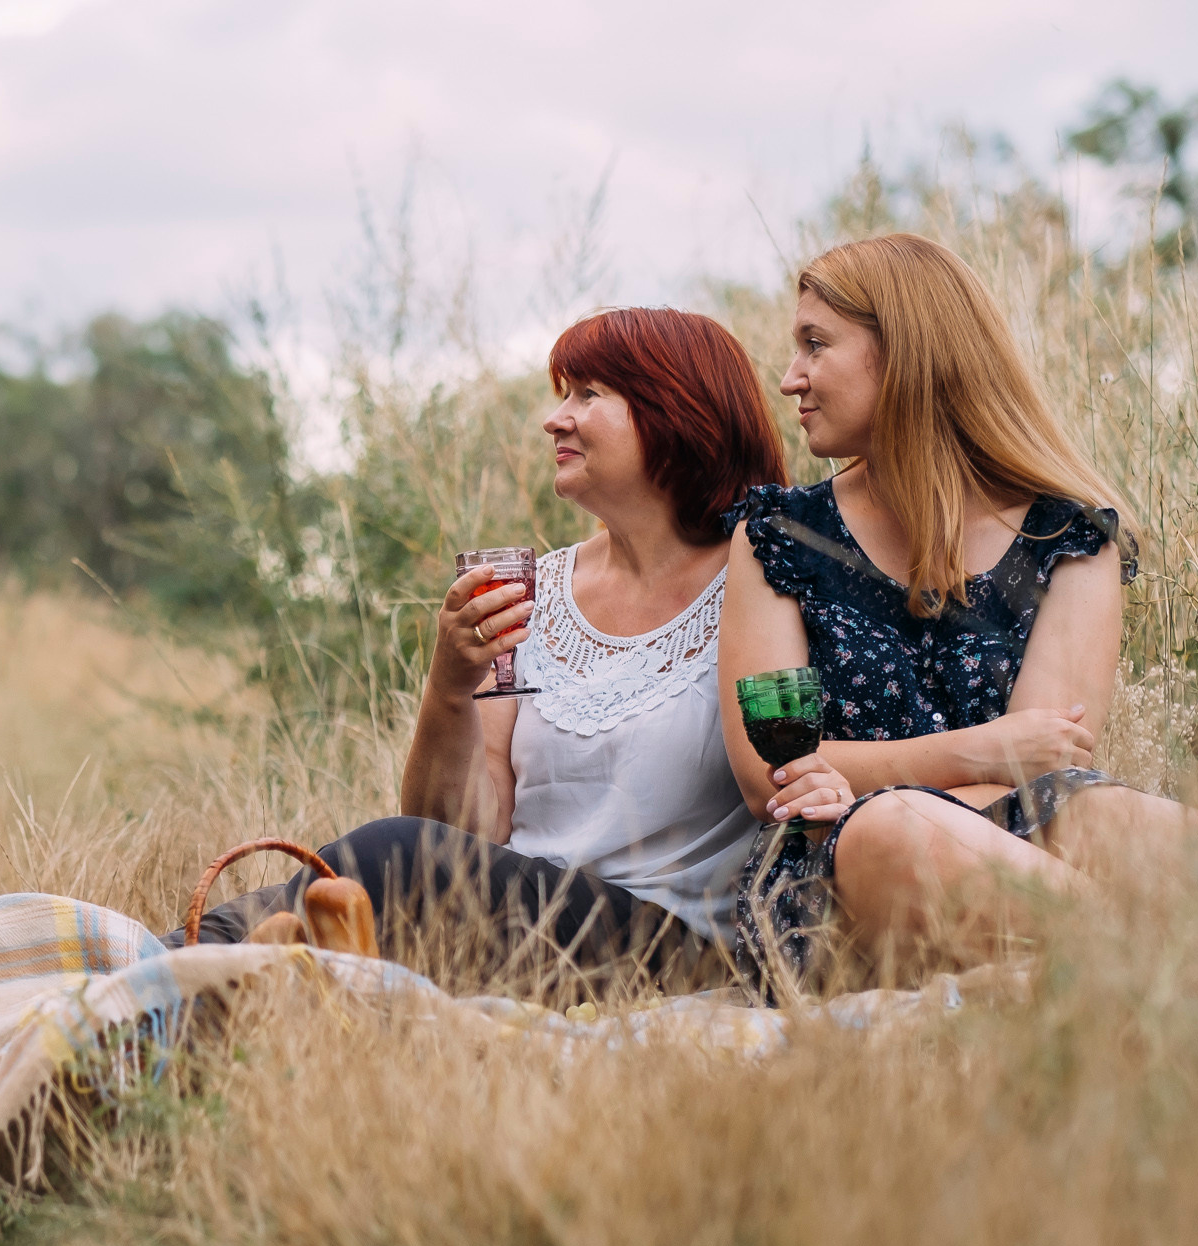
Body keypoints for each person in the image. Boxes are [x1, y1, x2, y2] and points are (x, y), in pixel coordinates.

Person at [176, 306, 789, 990]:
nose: (555, 419)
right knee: (353, 881)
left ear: (676, 412)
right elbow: (463, 832)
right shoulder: (538, 589)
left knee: (388, 851)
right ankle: (163, 965)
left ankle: (179, 970)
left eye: (588, 394)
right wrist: (451, 684)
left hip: (666, 943)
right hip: (518, 913)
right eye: (563, 394)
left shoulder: (762, 579)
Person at [716, 233, 1197, 984]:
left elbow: (1042, 773)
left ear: (904, 352)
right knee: (892, 827)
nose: (789, 378)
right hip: (837, 874)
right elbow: (769, 776)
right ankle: (1155, 980)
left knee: (1118, 818)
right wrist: (977, 751)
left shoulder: (1069, 538)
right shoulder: (780, 535)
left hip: (1010, 853)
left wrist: (868, 774)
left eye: (815, 344)